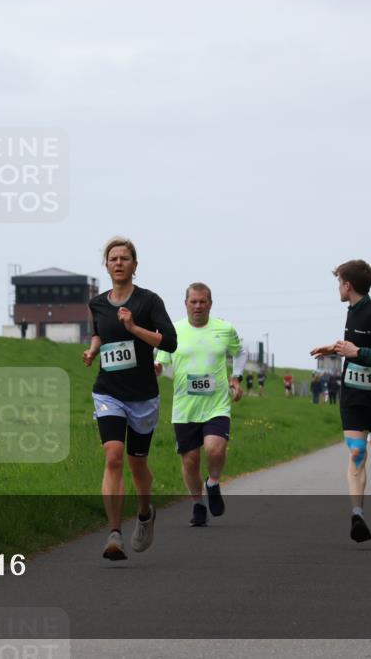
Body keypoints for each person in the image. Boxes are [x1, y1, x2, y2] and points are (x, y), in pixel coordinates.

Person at [83, 237, 177, 559]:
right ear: (106, 265)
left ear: (135, 265)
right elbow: (99, 332)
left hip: (143, 396)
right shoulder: (97, 303)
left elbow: (170, 342)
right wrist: (93, 350)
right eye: (113, 258)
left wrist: (134, 327)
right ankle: (114, 534)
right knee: (113, 456)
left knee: (138, 465)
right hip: (108, 391)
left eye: (125, 258)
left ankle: (145, 513)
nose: (119, 263)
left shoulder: (149, 301)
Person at [311, 259, 371, 543]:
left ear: (348, 285)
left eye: (339, 283)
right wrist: (336, 348)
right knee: (356, 452)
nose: (338, 288)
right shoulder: (351, 311)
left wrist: (358, 352)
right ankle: (357, 515)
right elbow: (355, 346)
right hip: (354, 397)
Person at [154, 283, 246, 527]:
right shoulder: (173, 331)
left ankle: (213, 483)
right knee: (190, 460)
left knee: (215, 449)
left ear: (210, 304)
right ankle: (197, 504)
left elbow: (240, 352)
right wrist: (156, 369)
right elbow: (161, 363)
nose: (198, 306)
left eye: (202, 301)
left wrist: (236, 377)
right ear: (185, 304)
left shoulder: (224, 329)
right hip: (185, 408)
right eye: (193, 302)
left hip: (217, 405)